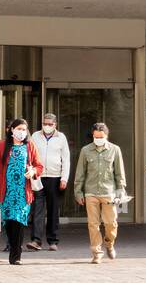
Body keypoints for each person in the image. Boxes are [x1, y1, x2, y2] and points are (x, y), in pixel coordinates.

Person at [0, 118, 43, 265]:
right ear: (12, 130)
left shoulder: (30, 145)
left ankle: (16, 255)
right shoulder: (2, 145)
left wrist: (33, 171)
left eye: (24, 129)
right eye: (19, 129)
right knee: (9, 223)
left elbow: (39, 166)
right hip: (7, 191)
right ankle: (13, 247)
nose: (22, 132)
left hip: (23, 192)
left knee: (18, 221)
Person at [73, 122, 126, 264]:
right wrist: (78, 192)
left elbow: (120, 174)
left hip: (109, 192)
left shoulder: (115, 150)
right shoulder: (85, 150)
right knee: (93, 224)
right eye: (96, 137)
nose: (98, 139)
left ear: (106, 136)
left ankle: (109, 243)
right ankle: (97, 252)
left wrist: (121, 191)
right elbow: (80, 173)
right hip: (91, 193)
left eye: (101, 137)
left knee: (111, 223)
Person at [27, 112, 70, 251]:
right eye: (45, 124)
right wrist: (31, 171)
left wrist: (64, 178)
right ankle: (36, 240)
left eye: (50, 124)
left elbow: (66, 159)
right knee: (37, 209)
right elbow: (30, 156)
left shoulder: (61, 137)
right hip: (38, 177)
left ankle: (53, 241)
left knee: (53, 210)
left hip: (55, 177)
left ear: (55, 125)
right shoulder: (35, 136)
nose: (47, 126)